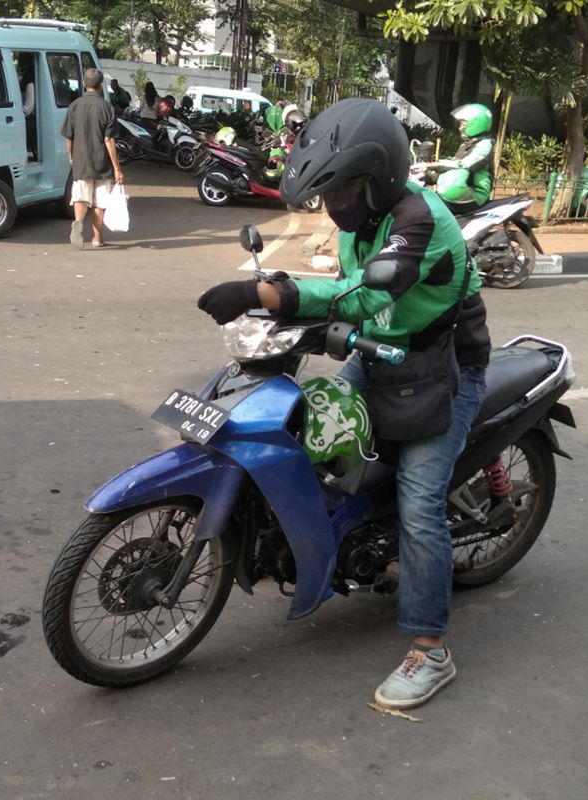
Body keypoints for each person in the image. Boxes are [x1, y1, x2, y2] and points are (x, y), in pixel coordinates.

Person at [195, 98, 490, 710]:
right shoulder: (366, 219)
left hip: (445, 369)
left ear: (377, 178)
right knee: (312, 424)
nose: (335, 207)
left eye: (342, 192)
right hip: (386, 349)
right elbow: (347, 289)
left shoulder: (419, 221)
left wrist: (267, 292)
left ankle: (431, 650)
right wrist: (275, 292)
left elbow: (358, 296)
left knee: (419, 503)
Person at [60, 67, 124, 249]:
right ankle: (97, 239)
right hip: (102, 162)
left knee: (81, 197)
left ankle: (78, 222)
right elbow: (109, 140)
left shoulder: (74, 106)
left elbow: (68, 137)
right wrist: (117, 168)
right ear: (101, 85)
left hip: (81, 160)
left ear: (83, 84)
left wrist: (71, 157)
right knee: (100, 202)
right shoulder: (107, 107)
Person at [432, 102, 495, 214]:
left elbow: (466, 165)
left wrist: (435, 165)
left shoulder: (485, 145)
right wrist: (429, 171)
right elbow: (453, 163)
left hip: (474, 195)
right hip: (460, 190)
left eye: (463, 124)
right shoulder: (465, 145)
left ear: (476, 124)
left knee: (431, 208)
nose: (460, 128)